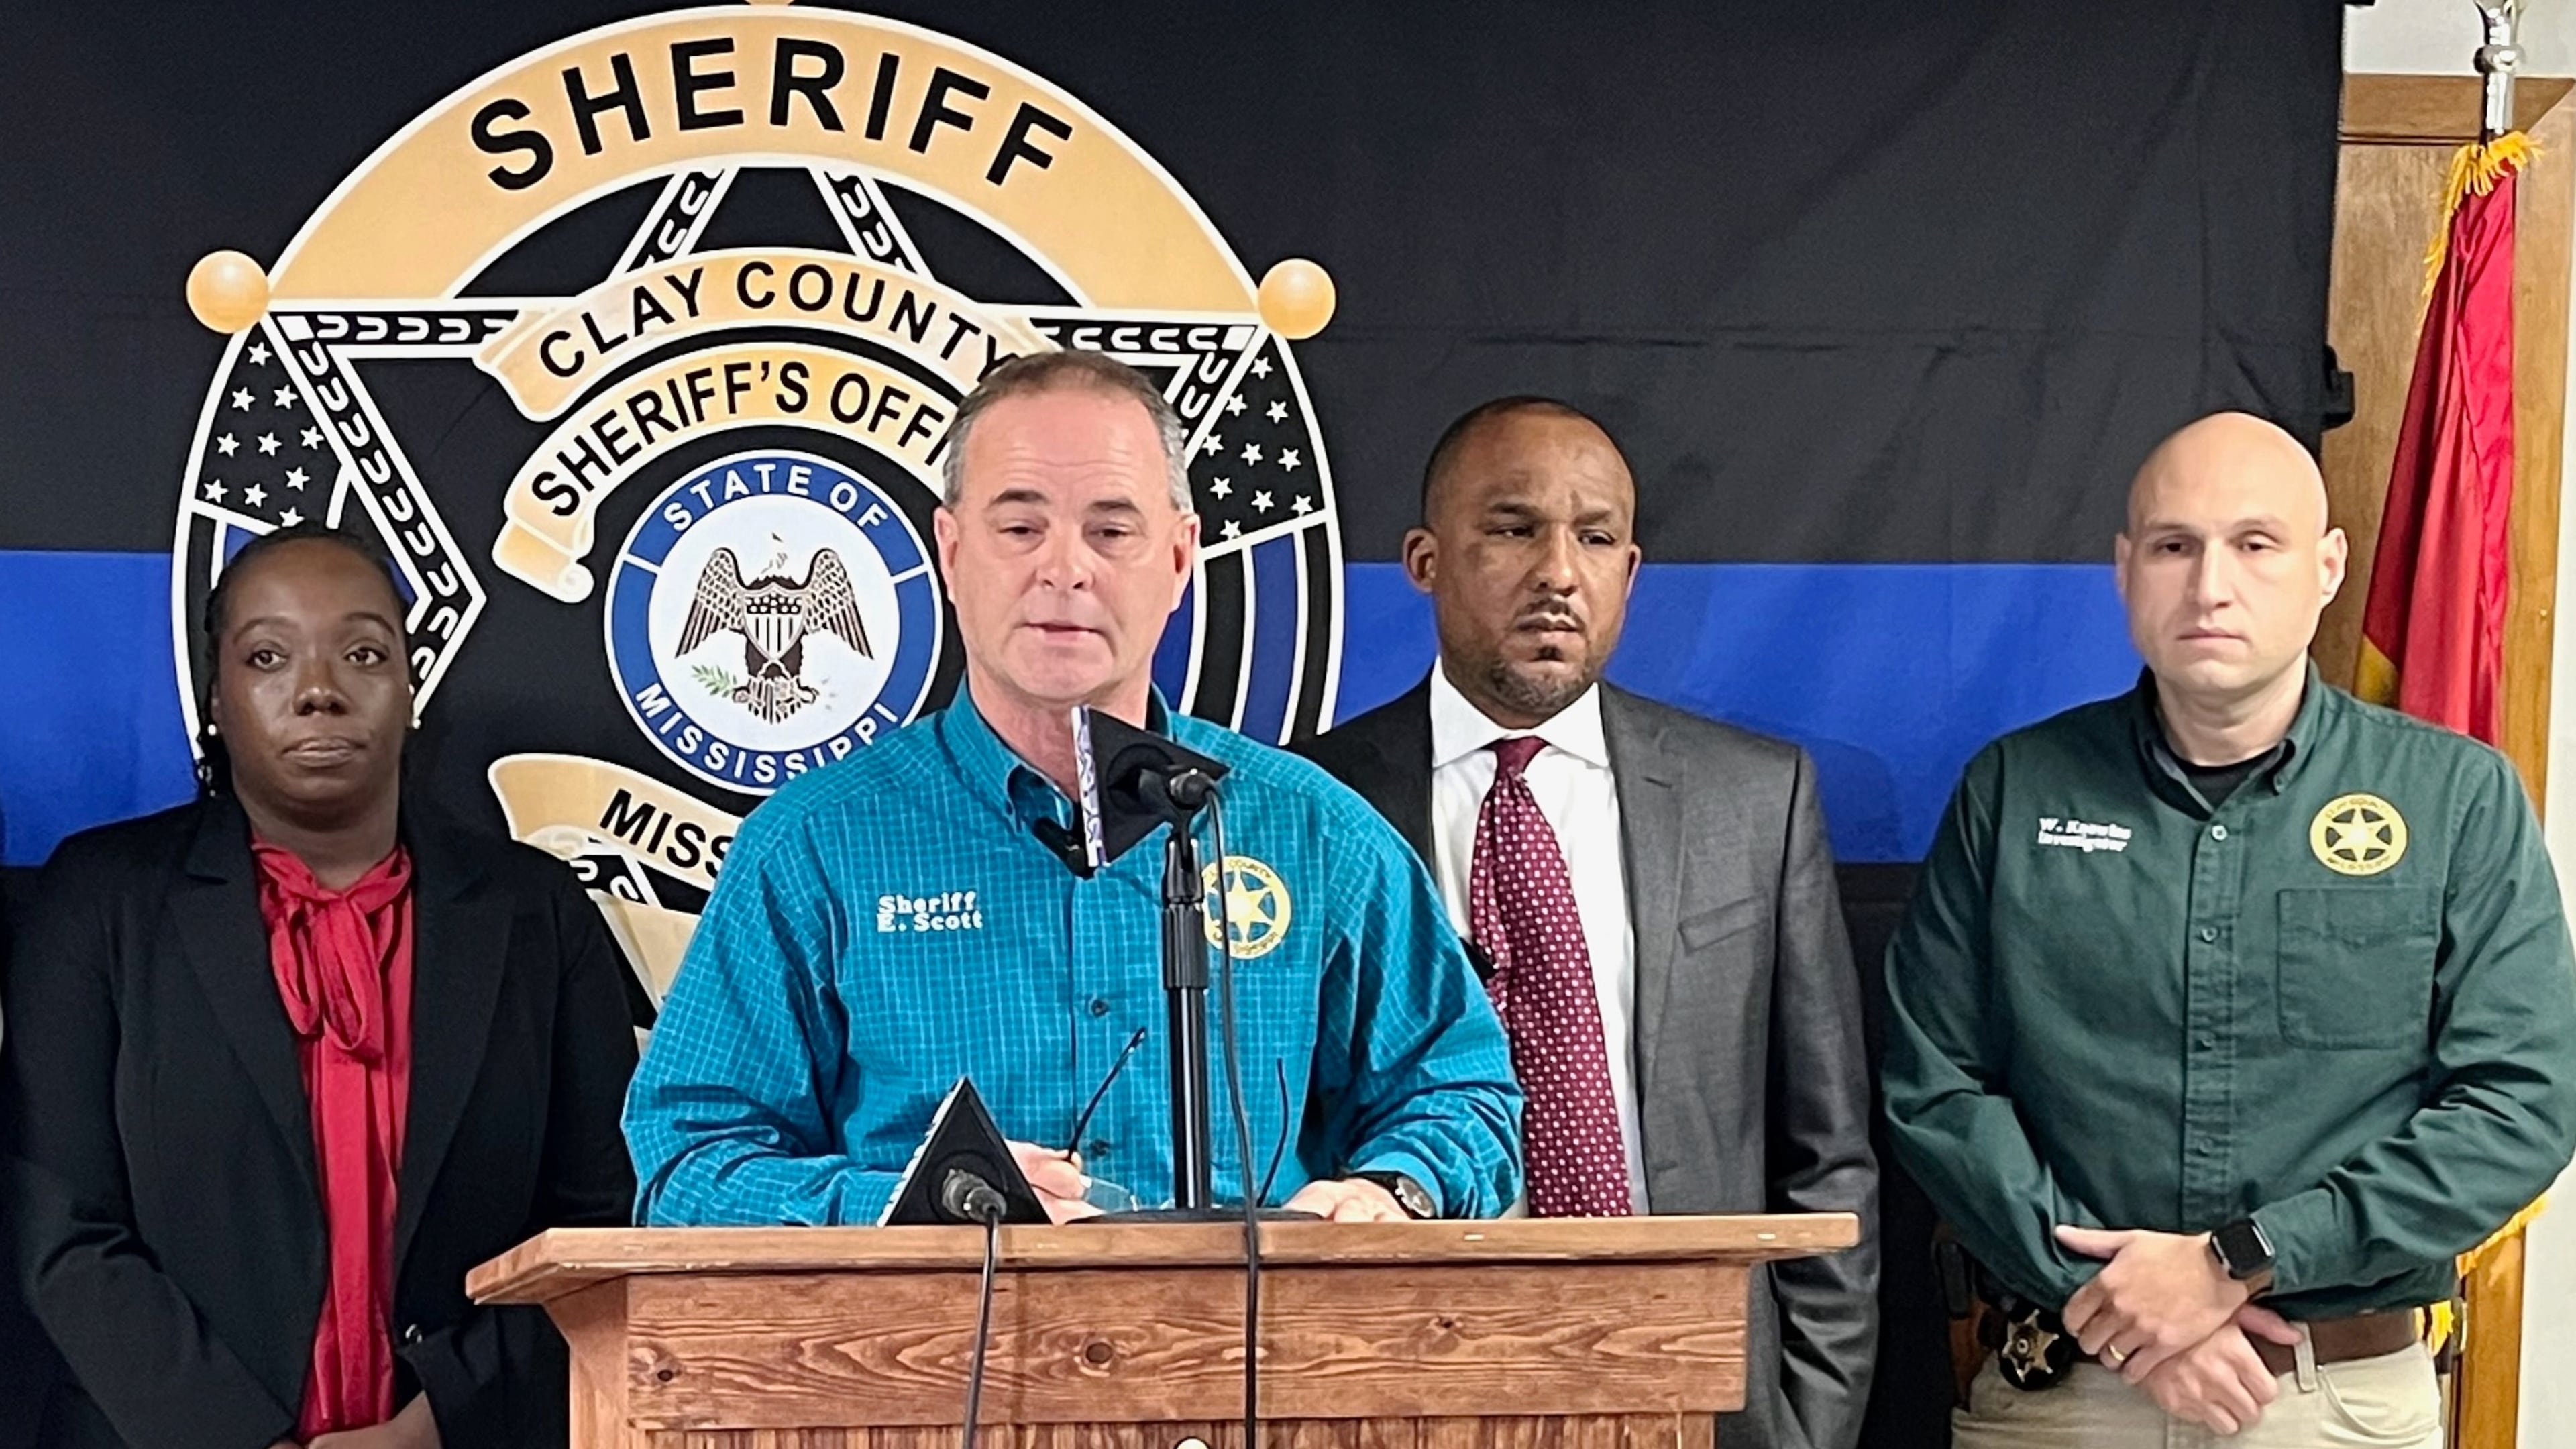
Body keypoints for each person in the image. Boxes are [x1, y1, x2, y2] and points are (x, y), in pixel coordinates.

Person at [624, 350, 1521, 1226]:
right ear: (950, 548)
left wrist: (1391, 1190)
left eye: (1111, 529)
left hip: (1250, 1366)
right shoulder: (814, 848)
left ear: (1178, 560)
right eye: (1020, 528)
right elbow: (690, 1163)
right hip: (926, 1368)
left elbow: (1462, 1095)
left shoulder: (1313, 833)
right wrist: (915, 1202)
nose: (1065, 568)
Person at [1882, 412, 2576, 1446]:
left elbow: (2522, 1103)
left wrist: (2235, 1259)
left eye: (2256, 544)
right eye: (2174, 546)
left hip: (2333, 1401)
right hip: (2067, 1390)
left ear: (2328, 567)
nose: (2211, 585)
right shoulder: (2014, 790)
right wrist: (2120, 1307)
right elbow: (1932, 1084)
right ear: (2125, 570)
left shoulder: (2455, 799)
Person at [1295, 398, 1880, 1449]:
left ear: (1631, 570)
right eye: (1514, 529)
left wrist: (1811, 1421)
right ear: (1425, 560)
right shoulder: (1309, 806)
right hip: (1402, 1383)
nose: (1559, 571)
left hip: (1701, 1390)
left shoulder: (1754, 799)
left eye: (1596, 537)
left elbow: (1826, 1152)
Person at [0, 523, 639, 1449]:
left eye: (364, 653)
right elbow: (55, 1224)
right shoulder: (98, 904)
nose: (318, 692)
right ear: (216, 695)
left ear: (411, 688)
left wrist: (434, 1425)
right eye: (268, 656)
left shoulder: (535, 916)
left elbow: (599, 1231)